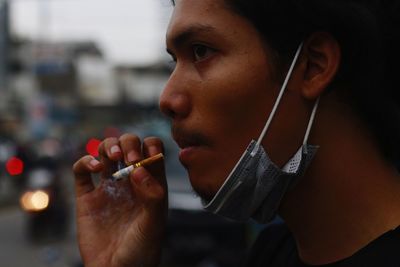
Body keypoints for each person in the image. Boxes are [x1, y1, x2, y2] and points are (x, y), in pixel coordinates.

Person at [72, 0, 400, 266]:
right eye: (174, 61)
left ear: (313, 65)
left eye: (201, 51)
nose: (167, 99)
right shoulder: (273, 251)